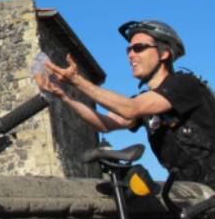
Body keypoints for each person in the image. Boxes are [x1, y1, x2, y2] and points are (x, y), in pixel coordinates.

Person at [36, 20, 215, 189]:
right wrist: (64, 96)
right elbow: (104, 124)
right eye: (128, 50)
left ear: (164, 53)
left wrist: (77, 81)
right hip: (190, 188)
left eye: (139, 48)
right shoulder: (146, 102)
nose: (131, 55)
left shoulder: (184, 84)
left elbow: (131, 108)